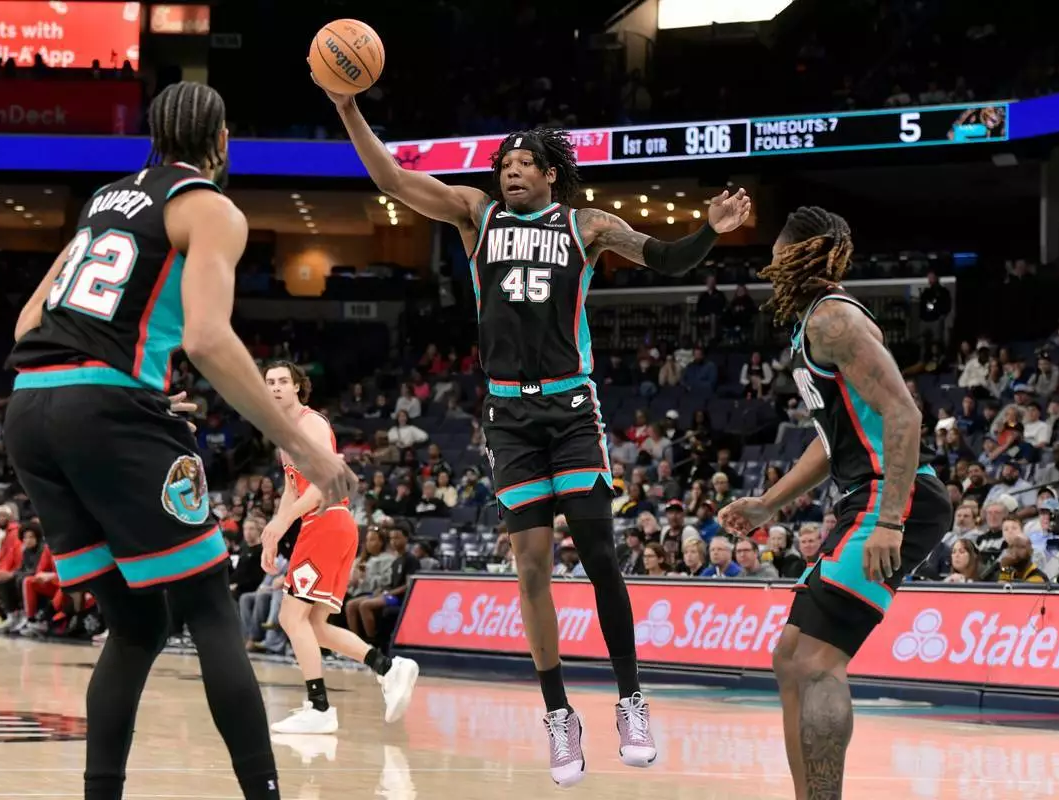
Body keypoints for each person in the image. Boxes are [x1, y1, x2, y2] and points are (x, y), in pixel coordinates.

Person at [316, 75, 750, 786]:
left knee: (600, 555)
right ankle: (559, 714)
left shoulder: (587, 226)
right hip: (508, 416)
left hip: (571, 407)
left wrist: (711, 231)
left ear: (550, 174)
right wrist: (347, 107)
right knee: (530, 568)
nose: (511, 171)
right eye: (505, 164)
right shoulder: (475, 215)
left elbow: (668, 258)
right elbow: (392, 178)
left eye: (524, 164)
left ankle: (631, 700)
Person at [3, 82, 356, 800]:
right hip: (104, 412)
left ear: (154, 139)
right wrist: (303, 446)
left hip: (30, 409)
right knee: (209, 608)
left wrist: (121, 382)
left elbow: (27, 323)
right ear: (222, 141)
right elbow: (205, 338)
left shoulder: (104, 200)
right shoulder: (209, 207)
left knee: (135, 624)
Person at [719, 207, 951, 800]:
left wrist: (891, 521)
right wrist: (768, 504)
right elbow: (831, 442)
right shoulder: (812, 325)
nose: (770, 265)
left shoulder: (834, 320)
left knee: (817, 663)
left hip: (891, 495)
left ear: (798, 254)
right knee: (789, 657)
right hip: (867, 494)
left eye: (776, 252)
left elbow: (904, 414)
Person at [258, 361, 419, 734]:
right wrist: (274, 530)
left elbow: (324, 484)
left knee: (291, 617)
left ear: (297, 387)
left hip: (327, 522)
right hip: (323, 526)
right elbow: (292, 490)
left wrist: (283, 522)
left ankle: (319, 709)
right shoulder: (284, 435)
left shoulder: (311, 423)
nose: (276, 387)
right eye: (270, 382)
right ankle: (388, 668)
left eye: (283, 381)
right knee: (314, 625)